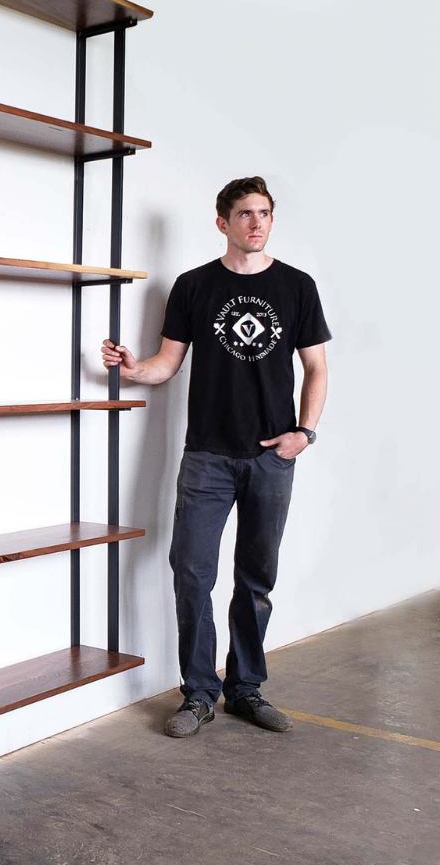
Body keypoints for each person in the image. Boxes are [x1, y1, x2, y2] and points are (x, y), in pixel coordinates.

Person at [101, 176, 330, 738]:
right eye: (245, 213)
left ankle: (245, 690)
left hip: (271, 458)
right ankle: (200, 693)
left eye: (265, 213)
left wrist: (304, 433)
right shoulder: (194, 286)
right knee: (191, 573)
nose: (257, 222)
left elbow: (316, 368)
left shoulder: (297, 286)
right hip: (207, 456)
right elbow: (167, 363)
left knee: (256, 578)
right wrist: (134, 368)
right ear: (222, 222)